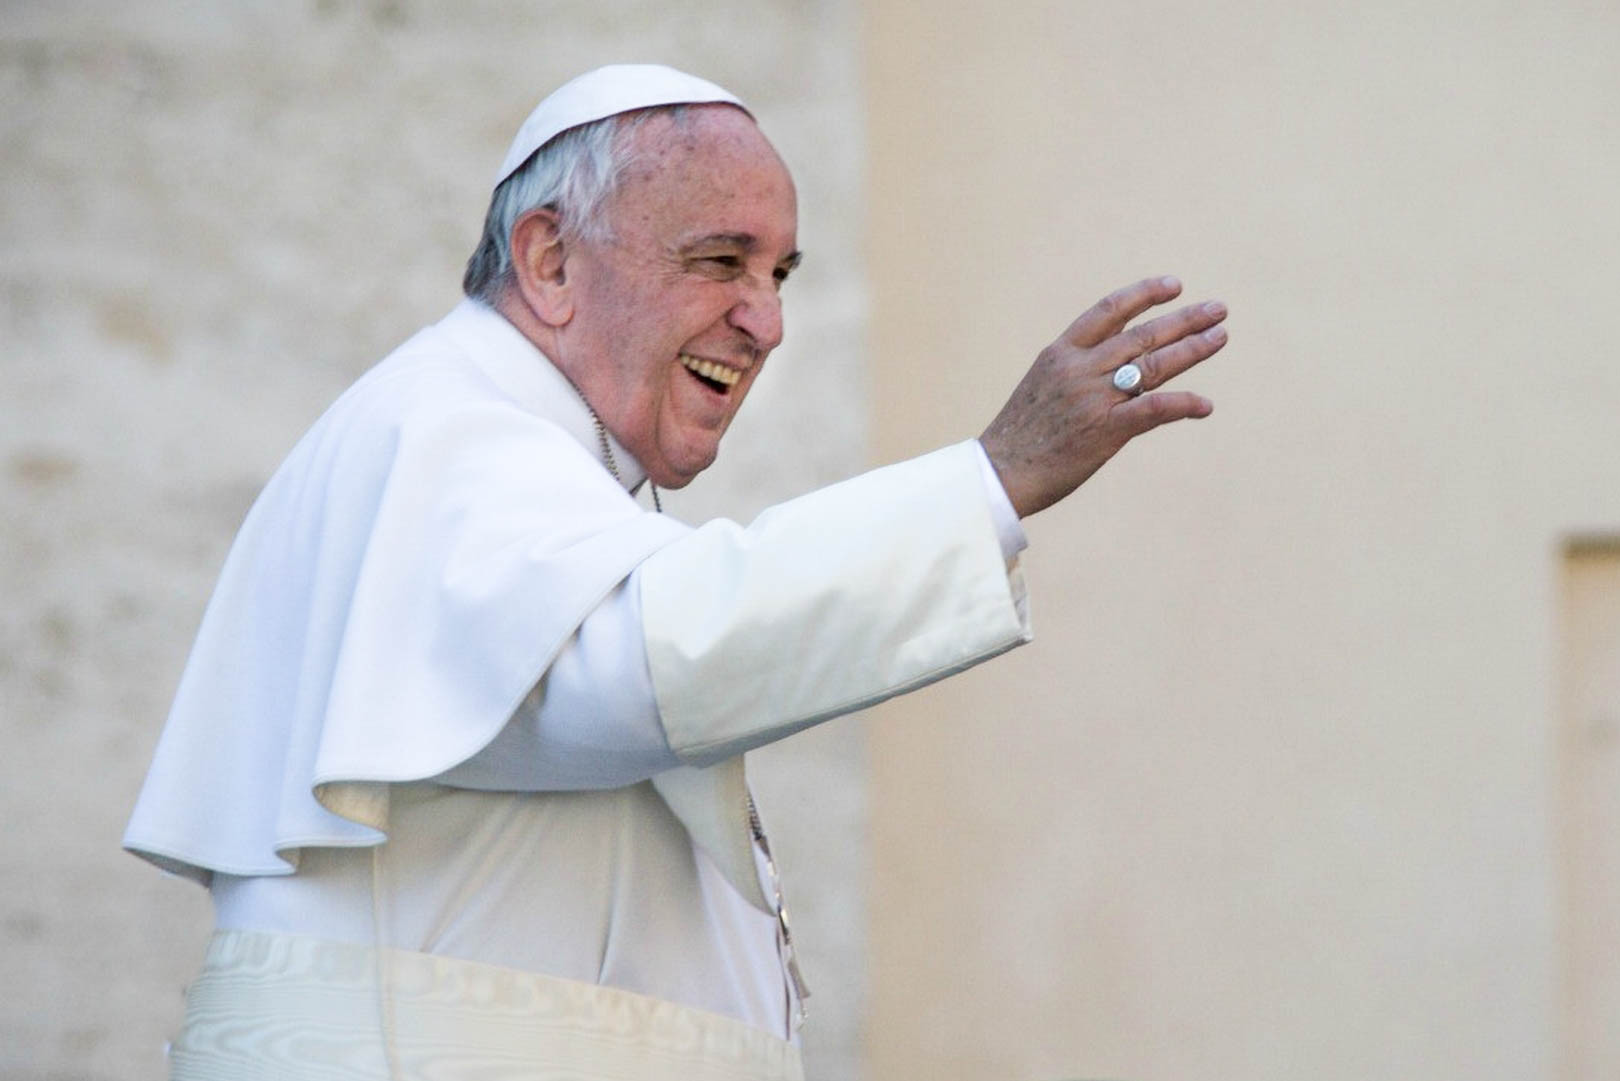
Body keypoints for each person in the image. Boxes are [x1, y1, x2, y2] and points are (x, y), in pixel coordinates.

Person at [124, 64, 1228, 1081]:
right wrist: (992, 480)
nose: (768, 321)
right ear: (550, 260)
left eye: (780, 273)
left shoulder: (510, 449)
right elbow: (643, 660)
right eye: (720, 260)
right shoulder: (447, 431)